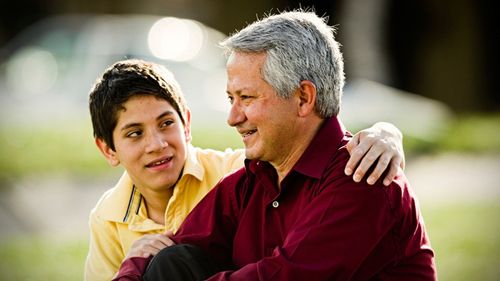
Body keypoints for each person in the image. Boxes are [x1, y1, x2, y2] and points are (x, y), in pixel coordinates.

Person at [113, 10, 436, 281]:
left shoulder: (364, 176)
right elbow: (165, 251)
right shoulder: (250, 183)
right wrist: (132, 268)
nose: (233, 117)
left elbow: (284, 276)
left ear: (303, 98)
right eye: (231, 99)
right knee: (174, 261)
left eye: (247, 98)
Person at [84, 58, 405, 281]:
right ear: (108, 150)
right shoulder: (107, 219)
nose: (156, 144)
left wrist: (387, 131)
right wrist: (132, 264)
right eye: (134, 133)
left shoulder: (234, 171)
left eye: (166, 123)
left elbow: (296, 148)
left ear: (187, 125)